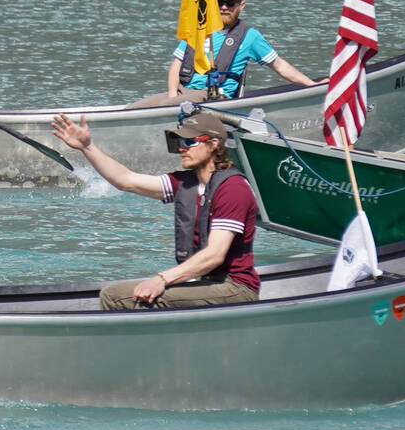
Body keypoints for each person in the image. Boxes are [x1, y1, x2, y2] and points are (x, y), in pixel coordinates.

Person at [49, 107, 260, 309]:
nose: (181, 148)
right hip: (207, 282)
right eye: (178, 141)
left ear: (213, 144)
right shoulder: (187, 183)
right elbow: (126, 180)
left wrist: (161, 279)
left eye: (189, 141)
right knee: (119, 293)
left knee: (117, 297)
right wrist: (88, 147)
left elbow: (214, 255)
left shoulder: (233, 189)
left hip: (235, 287)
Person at [149, 0, 317, 105]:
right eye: (219, 2)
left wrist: (311, 84)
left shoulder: (250, 36)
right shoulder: (199, 28)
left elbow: (279, 65)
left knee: (161, 108)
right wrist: (172, 96)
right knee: (132, 108)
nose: (223, 7)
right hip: (181, 92)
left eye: (230, 3)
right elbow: (176, 64)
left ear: (241, 5)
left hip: (211, 95)